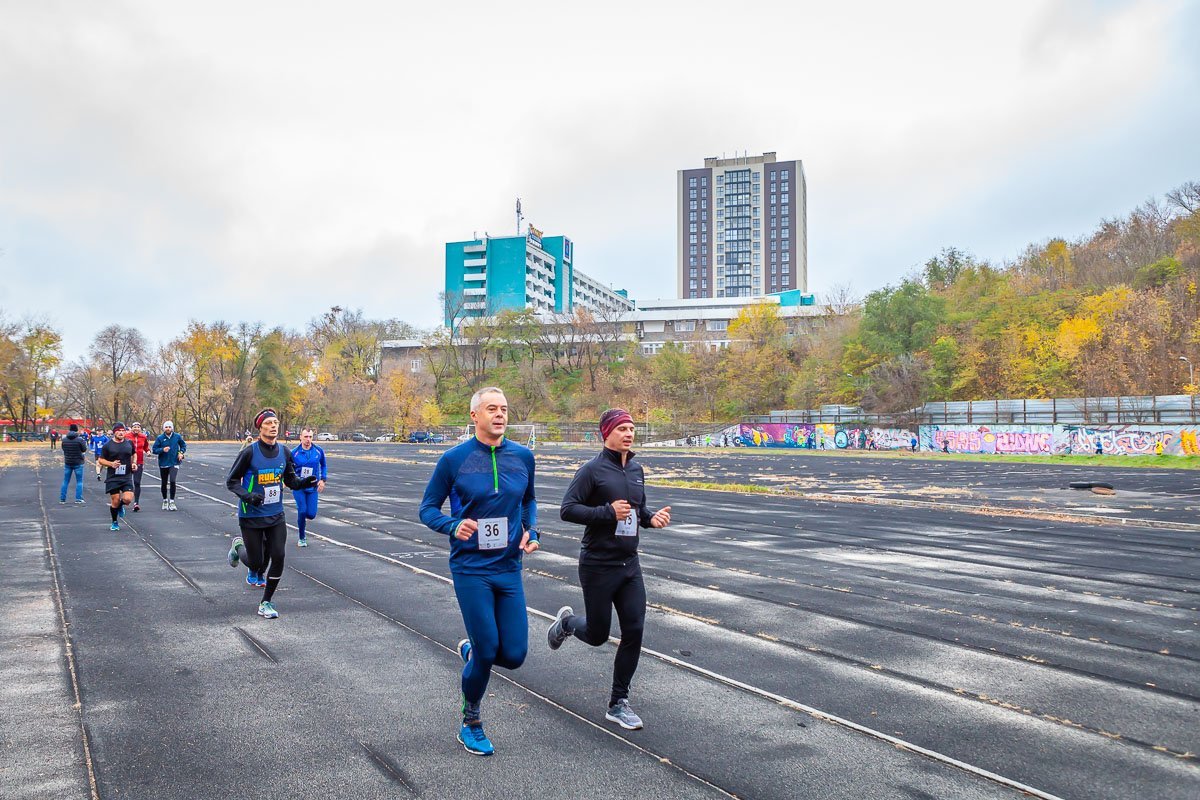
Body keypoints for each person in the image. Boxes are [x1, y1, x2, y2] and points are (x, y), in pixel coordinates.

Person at [418, 386, 540, 757]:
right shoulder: (454, 460)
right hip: (471, 569)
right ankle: (471, 720)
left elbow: (529, 500)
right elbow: (427, 509)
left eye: (504, 408)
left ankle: (473, 652)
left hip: (508, 568)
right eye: (492, 409)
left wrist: (531, 530)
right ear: (475, 416)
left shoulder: (523, 457)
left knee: (515, 654)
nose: (500, 414)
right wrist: (453, 526)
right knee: (489, 648)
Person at [546, 408, 671, 731]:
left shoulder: (638, 470)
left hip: (630, 564)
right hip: (598, 565)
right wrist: (606, 512)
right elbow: (567, 510)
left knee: (634, 630)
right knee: (599, 635)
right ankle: (568, 623)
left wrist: (650, 518)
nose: (629, 434)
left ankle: (618, 702)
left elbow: (636, 509)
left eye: (631, 428)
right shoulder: (592, 470)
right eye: (622, 429)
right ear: (607, 433)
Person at [224, 409, 318, 619]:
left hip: (276, 514)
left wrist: (303, 483)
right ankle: (238, 547)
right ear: (260, 427)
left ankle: (266, 602)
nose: (274, 425)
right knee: (257, 564)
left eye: (276, 422)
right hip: (251, 515)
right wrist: (248, 496)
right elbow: (231, 481)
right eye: (269, 422)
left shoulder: (284, 452)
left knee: (279, 555)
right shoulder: (249, 452)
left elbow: (290, 480)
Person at [290, 427, 327, 547]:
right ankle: (302, 537)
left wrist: (322, 479)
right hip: (299, 486)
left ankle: (303, 518)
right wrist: (291, 480)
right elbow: (289, 469)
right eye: (305, 436)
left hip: (312, 487)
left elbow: (324, 465)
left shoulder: (318, 451)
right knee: (302, 511)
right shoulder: (294, 452)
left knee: (311, 514)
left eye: (310, 437)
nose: (308, 439)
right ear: (300, 437)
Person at [97, 423, 135, 531]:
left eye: (123, 430)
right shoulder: (108, 446)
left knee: (127, 499)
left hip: (126, 476)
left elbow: (134, 454)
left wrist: (134, 463)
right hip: (113, 477)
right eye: (118, 431)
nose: (121, 432)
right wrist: (111, 464)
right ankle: (114, 522)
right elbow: (101, 460)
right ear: (114, 432)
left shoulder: (129, 443)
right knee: (115, 500)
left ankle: (121, 506)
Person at [152, 421, 187, 510]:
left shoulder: (177, 436)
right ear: (164, 428)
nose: (168, 428)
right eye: (166, 427)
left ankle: (172, 501)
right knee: (164, 482)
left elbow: (183, 445)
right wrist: (162, 449)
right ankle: (165, 500)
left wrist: (181, 453)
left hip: (174, 462)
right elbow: (154, 450)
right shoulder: (160, 438)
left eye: (169, 427)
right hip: (163, 463)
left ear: (172, 428)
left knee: (172, 481)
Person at [59, 424, 88, 504]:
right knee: (79, 481)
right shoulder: (80, 440)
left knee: (65, 481)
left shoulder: (64, 440)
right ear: (76, 430)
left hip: (68, 462)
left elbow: (63, 448)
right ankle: (78, 499)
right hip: (78, 462)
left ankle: (62, 499)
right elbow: (84, 449)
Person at [127, 422, 151, 511]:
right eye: (134, 427)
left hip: (139, 462)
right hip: (128, 462)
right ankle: (125, 499)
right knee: (127, 482)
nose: (136, 429)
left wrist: (148, 451)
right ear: (131, 428)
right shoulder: (127, 436)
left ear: (140, 429)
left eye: (138, 427)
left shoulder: (143, 437)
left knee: (137, 482)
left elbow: (146, 447)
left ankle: (136, 503)